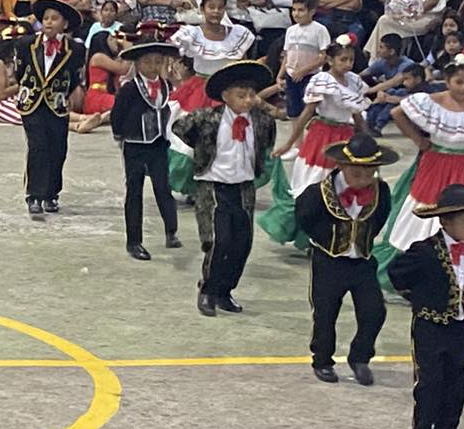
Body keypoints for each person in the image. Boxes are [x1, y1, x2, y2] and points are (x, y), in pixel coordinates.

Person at [371, 54, 464, 282]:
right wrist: (419, 140)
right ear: (447, 81)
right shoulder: (432, 101)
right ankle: (426, 264)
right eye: (459, 82)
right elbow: (397, 112)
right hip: (435, 165)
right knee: (428, 206)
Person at [386, 182, 464, 429]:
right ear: (445, 222)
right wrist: (419, 298)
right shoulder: (425, 251)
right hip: (429, 325)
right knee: (430, 380)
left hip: (458, 326)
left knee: (457, 380)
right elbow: (396, 272)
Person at [171, 59, 276, 318]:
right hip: (214, 186)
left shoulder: (262, 122)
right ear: (226, 96)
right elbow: (180, 128)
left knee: (242, 242)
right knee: (219, 240)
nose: (248, 100)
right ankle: (208, 289)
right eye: (241, 95)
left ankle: (225, 290)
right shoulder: (207, 118)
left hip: (244, 187)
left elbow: (266, 144)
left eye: (251, 95)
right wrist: (202, 152)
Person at [295, 133, 396, 385]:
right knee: (325, 313)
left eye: (369, 174)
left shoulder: (381, 191)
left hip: (362, 261)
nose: (363, 181)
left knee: (374, 311)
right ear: (341, 166)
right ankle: (322, 360)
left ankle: (360, 357)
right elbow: (305, 218)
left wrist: (362, 240)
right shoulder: (318, 193)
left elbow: (380, 217)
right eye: (357, 174)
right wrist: (326, 239)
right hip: (329, 261)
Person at [258, 34, 370, 249]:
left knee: (341, 186)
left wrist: (367, 142)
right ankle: (310, 233)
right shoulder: (322, 81)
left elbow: (357, 115)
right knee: (315, 183)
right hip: (323, 138)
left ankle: (333, 234)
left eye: (351, 60)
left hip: (345, 137)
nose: (347, 64)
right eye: (343, 59)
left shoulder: (354, 81)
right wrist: (289, 143)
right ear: (330, 60)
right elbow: (306, 113)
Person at [110, 35, 184, 260]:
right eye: (147, 62)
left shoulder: (166, 86)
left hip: (159, 143)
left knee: (163, 187)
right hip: (135, 144)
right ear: (137, 63)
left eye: (157, 62)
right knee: (135, 191)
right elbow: (117, 114)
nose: (153, 67)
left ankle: (171, 230)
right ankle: (134, 241)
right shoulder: (130, 88)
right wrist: (120, 135)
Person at [16, 0, 86, 219]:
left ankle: (51, 193)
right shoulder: (25, 44)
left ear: (64, 24)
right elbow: (19, 72)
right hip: (32, 102)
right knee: (38, 146)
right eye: (45, 18)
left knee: (58, 148)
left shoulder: (75, 49)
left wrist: (61, 93)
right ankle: (34, 195)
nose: (48, 22)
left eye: (54, 18)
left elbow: (75, 78)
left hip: (57, 104)